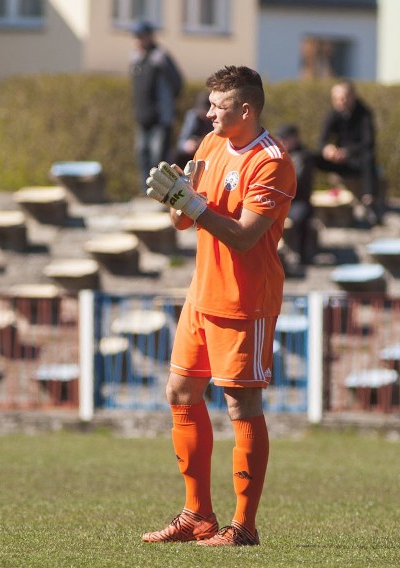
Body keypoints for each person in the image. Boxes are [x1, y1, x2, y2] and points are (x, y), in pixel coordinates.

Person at [142, 66, 296, 547]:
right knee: (180, 392)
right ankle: (197, 516)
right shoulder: (208, 146)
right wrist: (177, 198)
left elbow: (247, 237)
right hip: (202, 294)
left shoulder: (272, 161)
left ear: (245, 110)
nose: (207, 113)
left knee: (240, 403)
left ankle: (243, 526)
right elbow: (182, 223)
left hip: (244, 301)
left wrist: (192, 205)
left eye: (217, 106)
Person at [314, 80, 383, 224]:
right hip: (339, 161)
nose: (340, 102)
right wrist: (328, 149)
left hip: (357, 160)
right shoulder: (333, 114)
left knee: (368, 158)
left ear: (352, 96)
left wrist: (346, 152)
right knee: (310, 157)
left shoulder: (364, 114)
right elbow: (322, 141)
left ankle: (369, 200)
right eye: (336, 99)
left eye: (343, 98)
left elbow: (368, 143)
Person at [130, 20, 184, 186]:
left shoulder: (160, 58)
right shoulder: (136, 59)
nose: (138, 40)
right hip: (143, 117)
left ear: (149, 37)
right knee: (142, 154)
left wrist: (165, 106)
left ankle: (162, 191)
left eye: (141, 36)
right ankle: (145, 190)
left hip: (160, 118)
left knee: (158, 156)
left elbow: (177, 83)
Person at [276, 123, 315, 264]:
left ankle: (301, 254)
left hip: (298, 201)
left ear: (294, 139)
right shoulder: (277, 155)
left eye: (285, 139)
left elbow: (296, 183)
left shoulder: (303, 156)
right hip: (280, 200)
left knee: (299, 219)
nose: (282, 142)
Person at [171, 90, 212, 168]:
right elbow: (181, 141)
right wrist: (186, 145)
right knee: (175, 155)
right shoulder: (192, 116)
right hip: (191, 152)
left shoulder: (214, 120)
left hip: (206, 152)